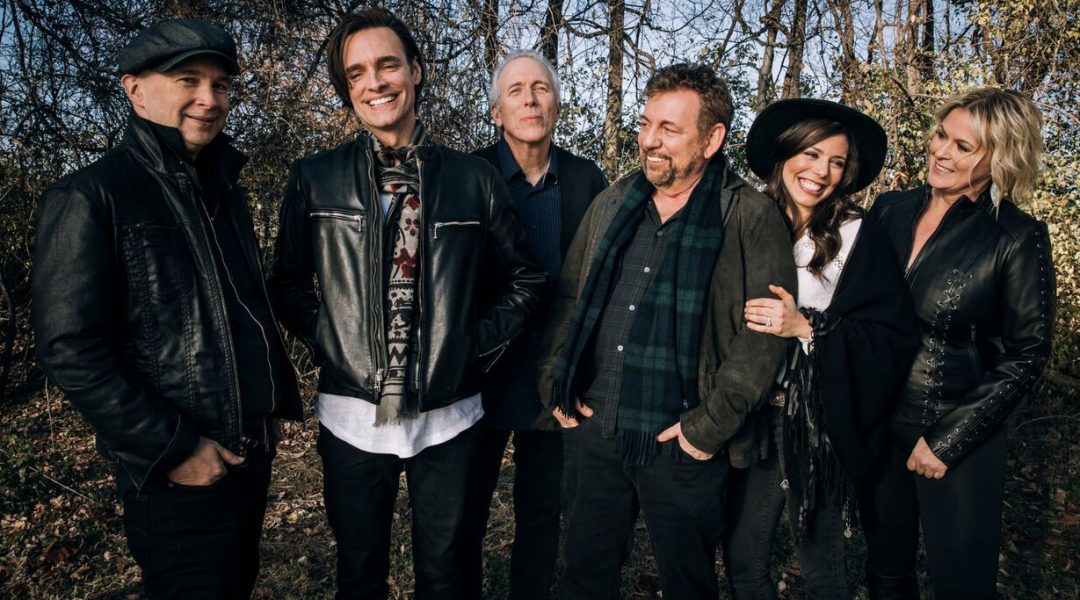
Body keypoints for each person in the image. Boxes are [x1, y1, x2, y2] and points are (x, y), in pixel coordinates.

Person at [267, 8, 545, 599]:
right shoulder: (315, 178)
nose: (375, 83)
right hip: (350, 416)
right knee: (359, 572)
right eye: (357, 73)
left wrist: (471, 346)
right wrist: (335, 340)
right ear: (347, 88)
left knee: (447, 576)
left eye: (387, 65)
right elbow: (286, 283)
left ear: (415, 71)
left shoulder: (473, 179)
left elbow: (525, 278)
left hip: (450, 417)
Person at [31, 19, 302, 599]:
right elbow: (70, 347)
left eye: (221, 85)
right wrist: (175, 449)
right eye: (188, 80)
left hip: (248, 451)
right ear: (134, 89)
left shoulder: (224, 189)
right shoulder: (90, 196)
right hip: (183, 470)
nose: (210, 99)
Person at [538, 63, 796, 600]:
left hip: (683, 438)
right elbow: (568, 298)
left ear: (711, 139)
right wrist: (553, 380)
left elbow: (763, 337)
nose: (649, 140)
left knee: (688, 584)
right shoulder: (614, 202)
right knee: (583, 577)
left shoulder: (748, 214)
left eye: (669, 129)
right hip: (594, 425)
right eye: (646, 123)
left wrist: (708, 427)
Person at [721, 98, 919, 599]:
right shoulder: (747, 216)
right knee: (743, 558)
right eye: (810, 154)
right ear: (785, 154)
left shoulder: (856, 234)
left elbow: (890, 336)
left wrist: (807, 327)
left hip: (816, 420)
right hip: (751, 413)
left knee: (822, 566)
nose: (820, 172)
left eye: (835, 162)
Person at [863, 87, 1055, 599]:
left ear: (1000, 158)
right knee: (885, 573)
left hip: (957, 430)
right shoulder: (890, 209)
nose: (941, 152)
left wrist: (948, 440)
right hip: (881, 426)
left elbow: (1028, 352)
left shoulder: (1015, 236)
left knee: (962, 584)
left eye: (963, 147)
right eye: (941, 135)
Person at [461, 49, 607, 599]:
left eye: (541, 88)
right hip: (478, 376)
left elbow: (601, 279)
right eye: (516, 90)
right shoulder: (467, 175)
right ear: (496, 111)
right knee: (464, 514)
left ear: (557, 106)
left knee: (541, 515)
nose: (530, 100)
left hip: (554, 379)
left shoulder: (584, 179)